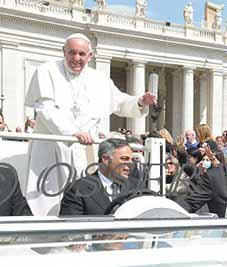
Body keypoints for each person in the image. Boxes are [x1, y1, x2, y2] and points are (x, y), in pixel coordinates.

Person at [24, 33, 156, 216]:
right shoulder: (46, 71)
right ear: (64, 51)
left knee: (85, 199)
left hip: (86, 150)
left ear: (90, 56)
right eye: (72, 52)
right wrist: (72, 132)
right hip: (53, 148)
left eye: (81, 54)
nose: (76, 58)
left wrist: (140, 101)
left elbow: (120, 102)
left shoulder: (99, 79)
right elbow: (45, 109)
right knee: (48, 201)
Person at [59, 138, 141, 216]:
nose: (131, 164)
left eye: (131, 160)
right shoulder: (77, 189)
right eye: (124, 159)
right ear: (106, 159)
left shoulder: (137, 187)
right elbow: (71, 224)